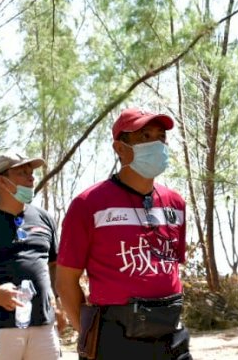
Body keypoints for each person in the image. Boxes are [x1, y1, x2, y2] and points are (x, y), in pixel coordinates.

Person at [56, 108, 189, 360]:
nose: (156, 144)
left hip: (171, 331)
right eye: (144, 136)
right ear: (119, 148)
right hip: (116, 337)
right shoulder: (88, 204)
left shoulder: (176, 203)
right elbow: (65, 281)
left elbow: (172, 265)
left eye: (161, 137)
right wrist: (89, 334)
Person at [0, 151, 63, 360]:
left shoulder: (44, 218)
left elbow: (54, 265)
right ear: (2, 180)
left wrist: (58, 305)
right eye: (22, 172)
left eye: (31, 172)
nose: (31, 177)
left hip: (43, 326)